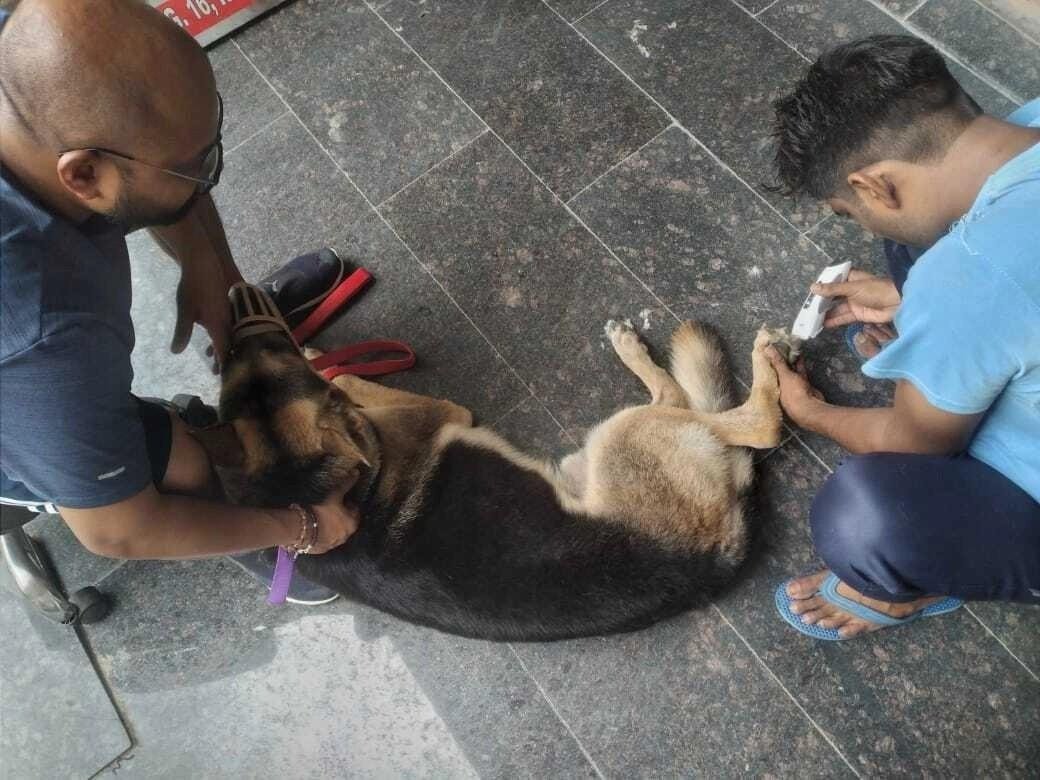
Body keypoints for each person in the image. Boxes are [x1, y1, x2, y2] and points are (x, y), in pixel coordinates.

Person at [0, 0, 359, 604]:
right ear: (83, 176)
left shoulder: (21, 48)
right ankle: (260, 542)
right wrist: (302, 525)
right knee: (179, 462)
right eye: (194, 170)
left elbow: (149, 164)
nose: (206, 177)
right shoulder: (43, 338)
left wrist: (212, 271)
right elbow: (118, 531)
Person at [764, 35, 1039, 640]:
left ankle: (912, 589)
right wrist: (921, 299)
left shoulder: (969, 275)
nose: (859, 221)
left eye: (850, 209)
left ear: (874, 186)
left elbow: (917, 446)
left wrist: (811, 413)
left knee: (864, 522)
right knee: (911, 249)